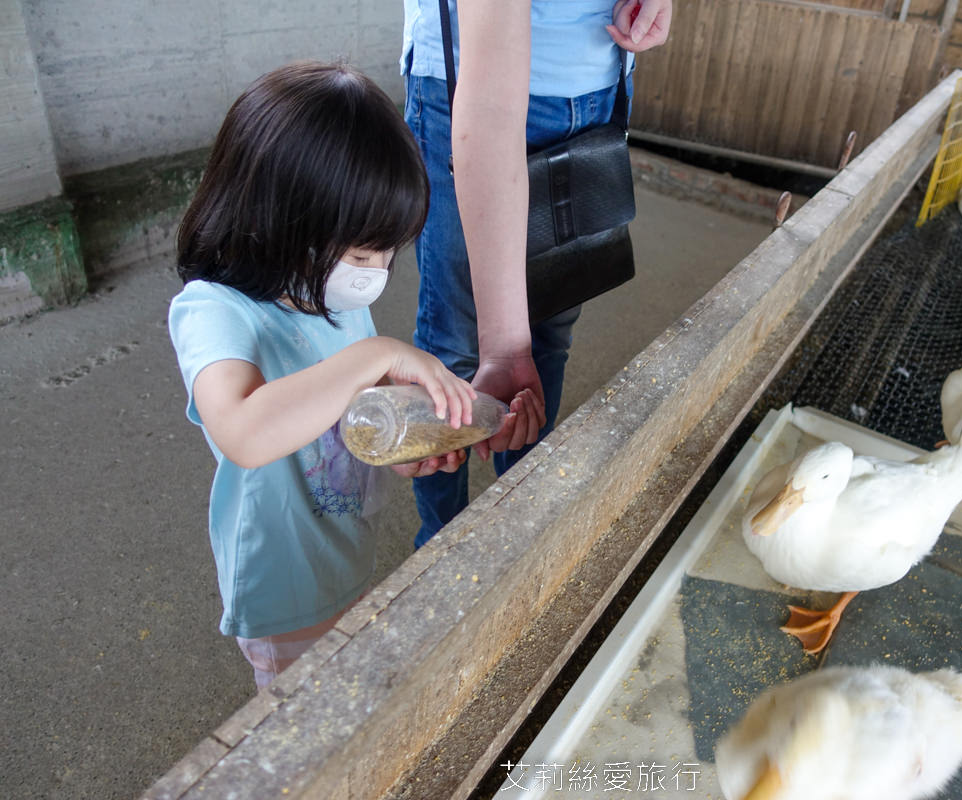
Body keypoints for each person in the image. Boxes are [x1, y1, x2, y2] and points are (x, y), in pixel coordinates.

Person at [168, 61, 477, 689]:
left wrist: (403, 446)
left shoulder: (334, 299)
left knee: (347, 684)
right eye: (362, 254)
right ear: (280, 218)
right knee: (306, 718)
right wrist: (377, 355)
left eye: (387, 254)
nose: (377, 273)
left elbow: (352, 414)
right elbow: (245, 433)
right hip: (284, 583)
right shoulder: (214, 311)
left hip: (343, 551)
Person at [401, 0, 673, 548]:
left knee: (546, 336)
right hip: (468, 84)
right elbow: (490, 103)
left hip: (597, 78)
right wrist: (503, 348)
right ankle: (440, 546)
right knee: (455, 349)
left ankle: (517, 536)